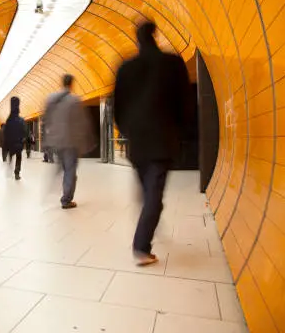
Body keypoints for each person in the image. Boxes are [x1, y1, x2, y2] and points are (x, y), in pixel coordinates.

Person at [114, 20, 192, 266]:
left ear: (137, 39)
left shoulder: (126, 68)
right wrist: (179, 131)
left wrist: (129, 131)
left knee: (149, 192)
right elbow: (185, 103)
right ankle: (141, 246)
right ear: (155, 35)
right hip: (162, 140)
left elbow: (118, 109)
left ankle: (150, 220)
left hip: (137, 143)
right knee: (153, 196)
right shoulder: (173, 64)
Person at [44, 74, 95, 209]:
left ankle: (55, 186)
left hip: (57, 142)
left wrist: (48, 140)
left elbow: (46, 121)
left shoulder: (51, 100)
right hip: (71, 143)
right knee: (70, 171)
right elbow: (83, 123)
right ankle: (66, 200)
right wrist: (88, 141)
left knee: (62, 168)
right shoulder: (75, 101)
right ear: (71, 84)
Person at [4, 97, 25, 180]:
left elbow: (6, 133)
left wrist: (6, 143)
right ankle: (17, 172)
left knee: (12, 153)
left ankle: (10, 160)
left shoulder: (8, 120)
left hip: (11, 142)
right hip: (18, 142)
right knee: (19, 157)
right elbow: (24, 131)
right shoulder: (21, 120)